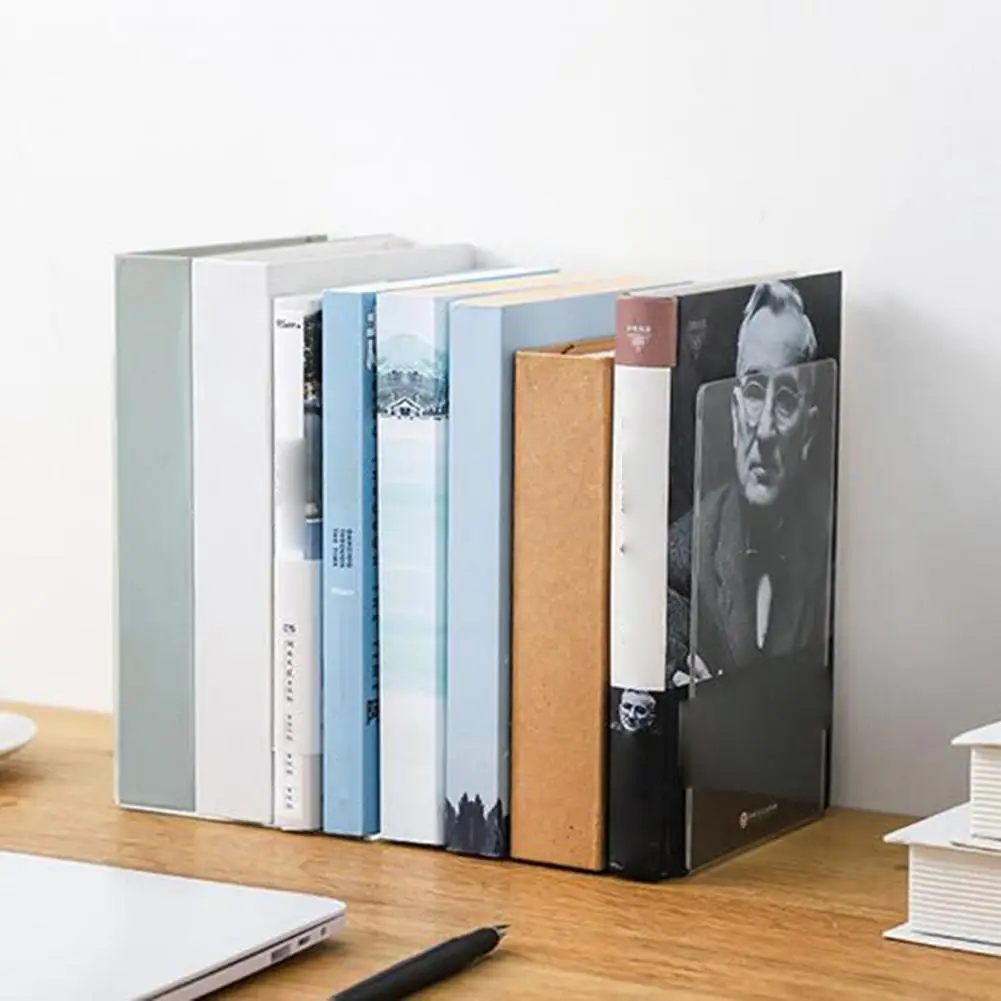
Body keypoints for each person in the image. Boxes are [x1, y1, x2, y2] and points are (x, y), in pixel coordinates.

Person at [669, 280, 833, 683]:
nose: (764, 431)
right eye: (756, 391)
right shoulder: (687, 547)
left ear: (808, 432)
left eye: (787, 399)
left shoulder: (836, 539)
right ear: (734, 409)